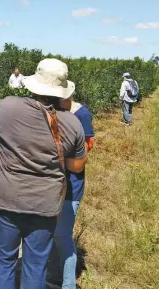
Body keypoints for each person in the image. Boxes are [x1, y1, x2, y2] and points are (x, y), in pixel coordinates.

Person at [0, 58, 88, 289]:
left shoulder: (8, 106)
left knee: (3, 261)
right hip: (45, 204)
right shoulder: (72, 123)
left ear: (34, 84)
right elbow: (77, 165)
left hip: (6, 200)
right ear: (62, 92)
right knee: (36, 265)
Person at [46, 95, 95, 289]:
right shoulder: (49, 111)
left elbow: (89, 143)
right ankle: (52, 277)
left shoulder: (81, 114)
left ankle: (67, 285)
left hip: (71, 186)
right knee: (50, 234)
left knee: (63, 236)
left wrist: (60, 155)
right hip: (51, 185)